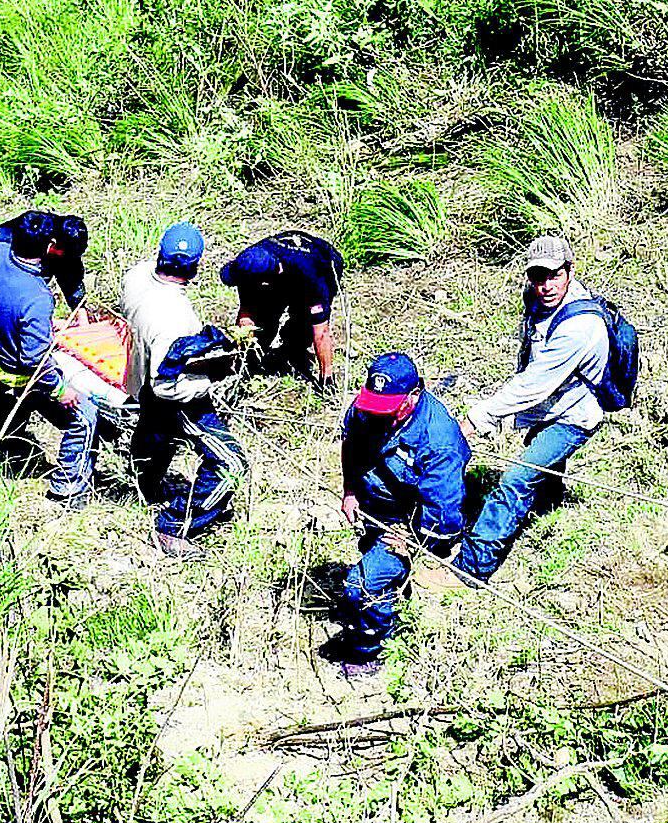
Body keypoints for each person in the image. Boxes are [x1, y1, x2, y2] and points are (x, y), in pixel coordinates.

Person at [434, 236, 614, 587]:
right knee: (539, 457)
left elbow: (535, 384)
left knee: (516, 479)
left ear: (569, 271)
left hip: (574, 414)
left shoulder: (580, 326)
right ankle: (548, 501)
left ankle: (473, 566)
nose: (545, 286)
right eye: (537, 277)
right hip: (550, 405)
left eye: (553, 276)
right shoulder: (537, 298)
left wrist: (478, 418)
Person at [0, 210, 100, 507]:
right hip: (23, 370)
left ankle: (1, 434)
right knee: (85, 417)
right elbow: (35, 361)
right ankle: (68, 488)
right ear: (49, 247)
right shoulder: (36, 298)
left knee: (4, 395)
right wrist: (61, 390)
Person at [335, 352, 470, 679]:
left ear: (414, 395)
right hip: (372, 501)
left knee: (362, 585)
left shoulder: (439, 441)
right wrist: (350, 489)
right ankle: (391, 600)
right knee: (371, 558)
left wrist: (412, 538)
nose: (378, 415)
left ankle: (372, 650)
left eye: (389, 409)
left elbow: (444, 514)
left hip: (410, 520)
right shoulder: (367, 406)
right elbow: (351, 444)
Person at [118, 223, 248, 558]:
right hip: (172, 395)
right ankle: (173, 525)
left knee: (155, 433)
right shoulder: (176, 319)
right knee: (231, 465)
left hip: (138, 375)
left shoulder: (134, 278)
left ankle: (144, 488)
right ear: (195, 266)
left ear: (159, 253)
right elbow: (168, 387)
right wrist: (211, 376)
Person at [219, 230, 345, 385]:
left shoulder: (312, 277)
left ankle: (294, 350)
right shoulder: (249, 264)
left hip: (323, 264)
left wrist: (327, 378)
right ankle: (254, 359)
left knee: (302, 322)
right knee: (265, 316)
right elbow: (247, 313)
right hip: (277, 271)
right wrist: (244, 354)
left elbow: (321, 332)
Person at [0, 211, 90, 313]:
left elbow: (71, 277)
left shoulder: (66, 238)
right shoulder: (14, 239)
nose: (63, 257)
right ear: (53, 243)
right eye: (61, 253)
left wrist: (80, 311)